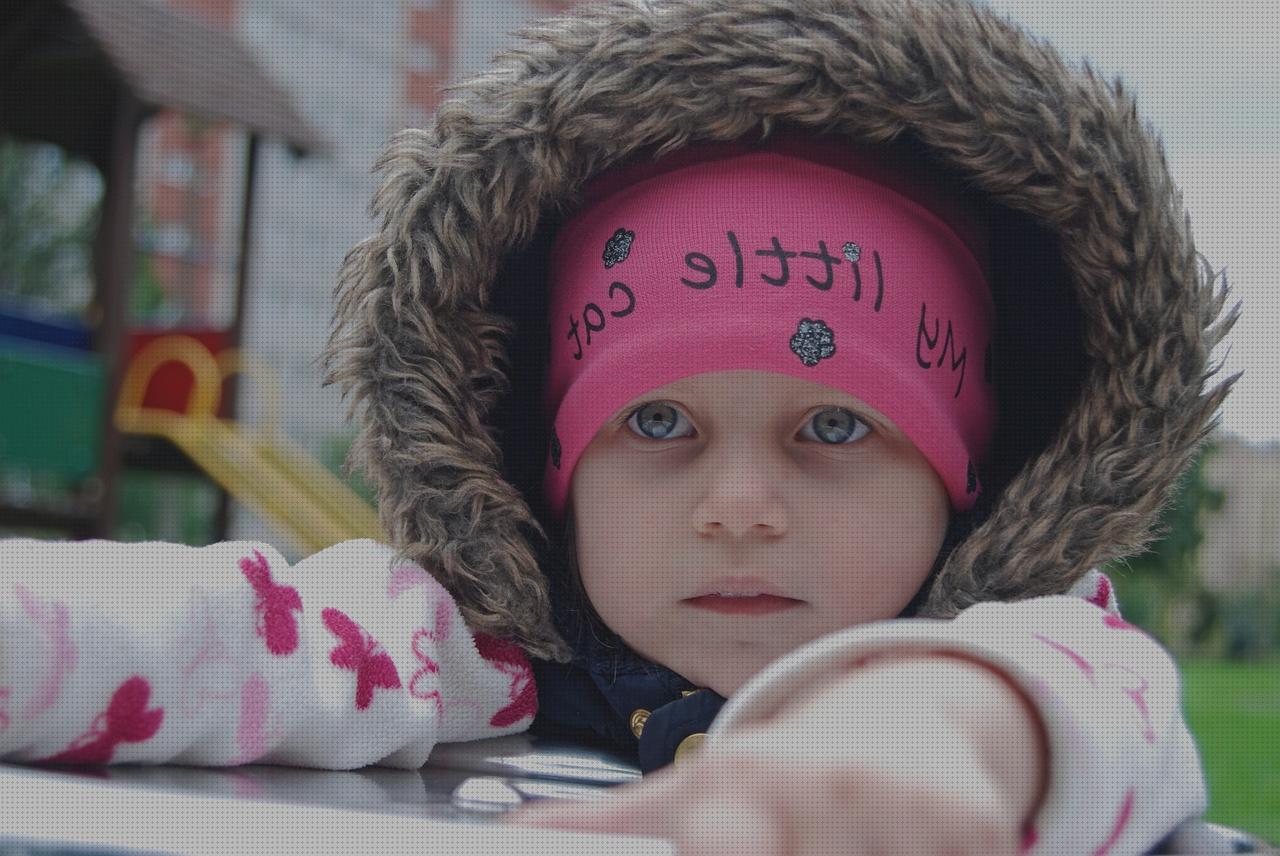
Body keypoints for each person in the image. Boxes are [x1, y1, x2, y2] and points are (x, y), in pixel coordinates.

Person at [0, 0, 1248, 854]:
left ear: (958, 477)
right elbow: (212, 637)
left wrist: (930, 734)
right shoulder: (457, 654)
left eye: (831, 425)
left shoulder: (1019, 656)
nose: (738, 503)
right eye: (657, 419)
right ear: (559, 473)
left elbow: (1097, 706)